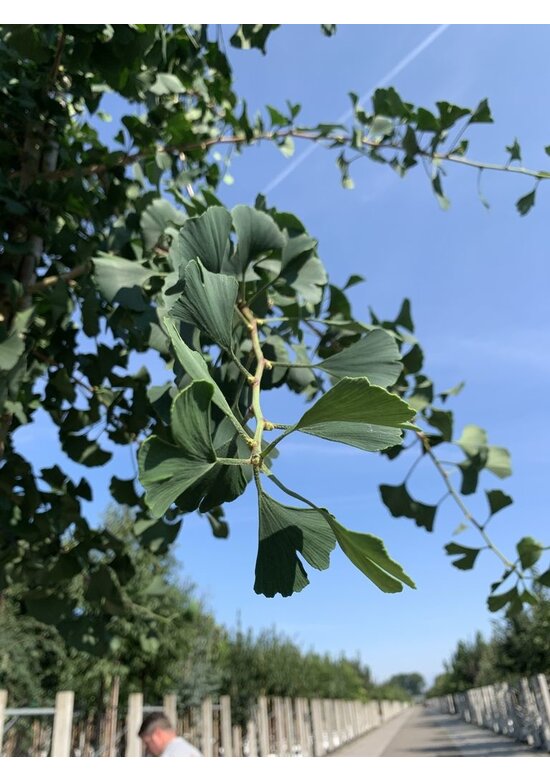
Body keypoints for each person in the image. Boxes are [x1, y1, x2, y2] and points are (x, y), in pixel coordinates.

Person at [138, 711, 203, 757]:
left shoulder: (172, 754)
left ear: (158, 734)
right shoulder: (187, 750)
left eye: (147, 743)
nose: (147, 750)